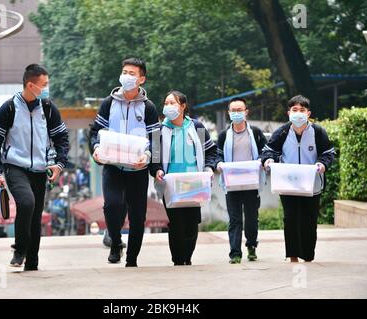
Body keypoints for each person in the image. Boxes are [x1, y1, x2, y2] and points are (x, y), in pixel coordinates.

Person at [0, 64, 69, 271]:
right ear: (31, 85)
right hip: (15, 167)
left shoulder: (48, 108)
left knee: (35, 216)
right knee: (26, 202)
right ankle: (20, 248)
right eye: (44, 84)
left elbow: (62, 139)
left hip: (41, 170)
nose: (47, 88)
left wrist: (59, 165)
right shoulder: (9, 108)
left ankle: (32, 263)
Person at [89, 58, 160, 267]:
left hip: (137, 169)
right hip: (113, 166)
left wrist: (148, 159)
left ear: (141, 79)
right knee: (112, 205)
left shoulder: (148, 108)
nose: (126, 76)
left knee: (137, 216)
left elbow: (156, 140)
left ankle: (132, 259)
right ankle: (116, 242)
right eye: (124, 72)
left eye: (132, 73)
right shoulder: (109, 103)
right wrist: (96, 148)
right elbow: (95, 132)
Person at [261, 95, 335, 262]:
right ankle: (293, 255)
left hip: (312, 184)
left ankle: (308, 254)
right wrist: (268, 160)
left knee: (309, 219)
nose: (298, 113)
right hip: (288, 183)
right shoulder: (282, 131)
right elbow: (268, 150)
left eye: (302, 110)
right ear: (289, 113)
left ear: (308, 113)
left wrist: (323, 164)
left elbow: (328, 153)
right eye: (295, 110)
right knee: (291, 219)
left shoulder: (318, 132)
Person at [151, 91, 217, 266]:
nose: (168, 106)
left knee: (191, 222)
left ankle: (188, 256)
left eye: (172, 103)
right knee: (176, 223)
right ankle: (178, 259)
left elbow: (210, 151)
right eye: (166, 103)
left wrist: (209, 168)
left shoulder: (197, 127)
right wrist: (157, 170)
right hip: (170, 184)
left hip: (194, 183)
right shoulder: (159, 130)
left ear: (182, 106)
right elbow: (155, 159)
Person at [216, 97, 267, 264]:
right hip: (232, 184)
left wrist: (264, 162)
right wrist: (218, 164)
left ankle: (252, 246)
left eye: (240, 110)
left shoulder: (256, 133)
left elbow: (266, 152)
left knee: (252, 218)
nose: (236, 113)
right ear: (229, 113)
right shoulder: (224, 135)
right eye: (233, 110)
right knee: (235, 219)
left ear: (246, 112)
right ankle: (235, 253)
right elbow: (217, 155)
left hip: (251, 183)